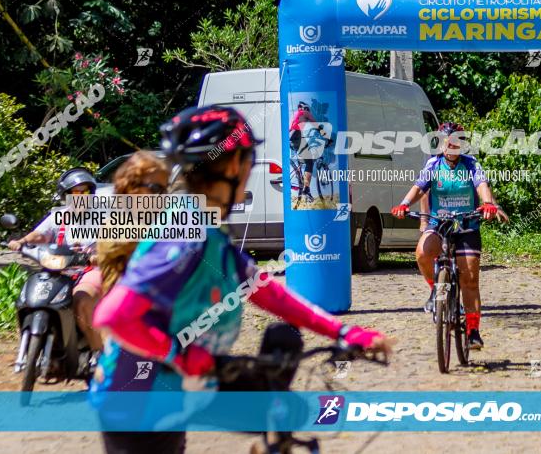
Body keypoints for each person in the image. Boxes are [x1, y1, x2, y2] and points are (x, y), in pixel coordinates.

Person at [91, 105, 392, 453]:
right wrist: (179, 354)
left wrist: (344, 331)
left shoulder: (208, 230)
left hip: (170, 393)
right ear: (234, 166)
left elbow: (266, 293)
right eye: (250, 160)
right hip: (137, 401)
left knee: (281, 408)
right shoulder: (188, 236)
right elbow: (112, 316)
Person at [391, 122, 507, 351]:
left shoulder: (471, 165)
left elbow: (482, 185)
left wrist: (487, 204)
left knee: (470, 279)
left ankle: (473, 331)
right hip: (440, 223)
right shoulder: (433, 164)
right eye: (446, 143)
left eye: (454, 144)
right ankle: (436, 288)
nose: (449, 148)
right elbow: (419, 187)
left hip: (467, 224)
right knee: (423, 254)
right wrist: (404, 204)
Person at [8, 167, 103, 351]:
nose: (81, 196)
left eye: (85, 192)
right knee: (31, 296)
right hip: (60, 270)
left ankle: (98, 352)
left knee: (81, 300)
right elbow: (40, 235)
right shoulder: (60, 216)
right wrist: (22, 241)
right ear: (66, 194)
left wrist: (99, 256)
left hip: (90, 270)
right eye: (76, 192)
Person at [97, 151, 169, 296]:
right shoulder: (114, 225)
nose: (164, 195)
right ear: (131, 189)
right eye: (156, 189)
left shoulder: (163, 221)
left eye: (166, 189)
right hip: (126, 313)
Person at [288, 101, 317, 202]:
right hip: (296, 136)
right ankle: (306, 189)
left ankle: (300, 178)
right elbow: (316, 125)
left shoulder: (296, 114)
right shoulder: (305, 113)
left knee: (303, 159)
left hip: (291, 136)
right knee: (309, 162)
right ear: (306, 109)